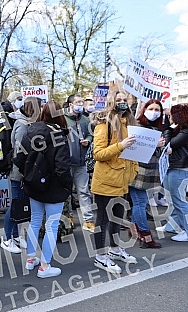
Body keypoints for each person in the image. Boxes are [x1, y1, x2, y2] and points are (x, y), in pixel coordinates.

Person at [14, 100, 72, 278]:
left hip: (34, 185)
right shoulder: (59, 135)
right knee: (52, 225)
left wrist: (29, 175)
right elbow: (62, 166)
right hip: (54, 187)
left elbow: (19, 158)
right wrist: (67, 186)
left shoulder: (31, 131)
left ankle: (31, 259)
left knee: (35, 221)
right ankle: (45, 266)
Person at [91, 90, 138, 274]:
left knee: (117, 218)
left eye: (125, 99)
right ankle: (100, 256)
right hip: (106, 182)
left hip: (123, 180)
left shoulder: (129, 124)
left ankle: (115, 248)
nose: (122, 102)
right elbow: (98, 154)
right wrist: (121, 145)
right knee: (103, 220)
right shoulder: (104, 126)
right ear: (111, 102)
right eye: (118, 100)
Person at [1, 95, 41, 254]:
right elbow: (19, 151)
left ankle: (15, 236)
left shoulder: (26, 123)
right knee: (15, 206)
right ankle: (6, 238)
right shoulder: (23, 126)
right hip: (19, 172)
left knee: (18, 206)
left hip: (22, 171)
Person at [128, 99, 164, 248]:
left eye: (157, 110)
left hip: (150, 170)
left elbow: (158, 152)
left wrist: (164, 148)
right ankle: (145, 234)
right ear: (144, 109)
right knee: (140, 203)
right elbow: (132, 148)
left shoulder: (157, 128)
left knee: (140, 202)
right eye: (151, 109)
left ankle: (133, 228)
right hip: (137, 169)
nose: (154, 112)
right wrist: (153, 144)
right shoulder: (136, 126)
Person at [64, 94, 95, 232]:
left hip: (82, 162)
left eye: (82, 102)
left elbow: (90, 134)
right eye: (78, 102)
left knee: (84, 191)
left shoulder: (85, 119)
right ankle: (68, 217)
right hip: (66, 161)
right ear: (70, 104)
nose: (80, 104)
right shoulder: (63, 119)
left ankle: (88, 220)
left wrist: (88, 140)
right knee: (66, 192)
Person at [162, 104, 188, 242]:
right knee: (172, 199)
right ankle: (172, 225)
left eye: (170, 114)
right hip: (174, 167)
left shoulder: (185, 132)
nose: (168, 117)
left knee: (179, 201)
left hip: (180, 169)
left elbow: (169, 143)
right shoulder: (180, 130)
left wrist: (167, 128)